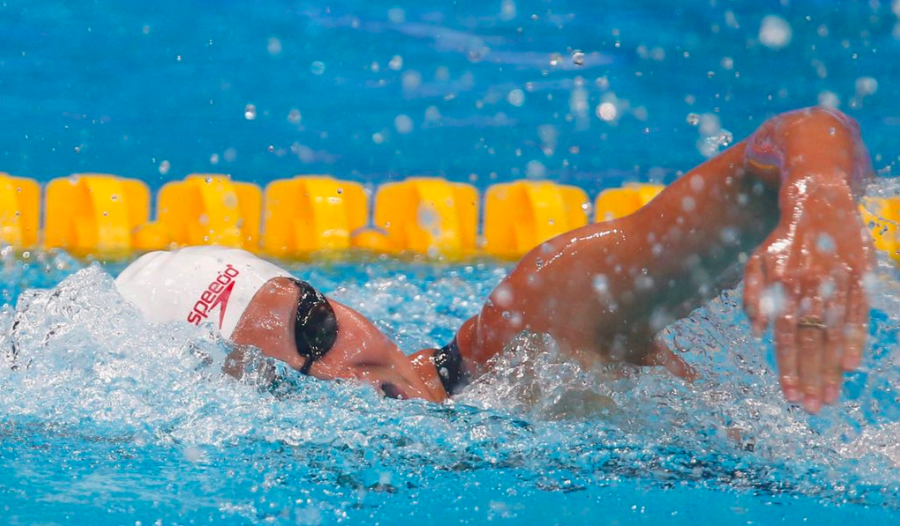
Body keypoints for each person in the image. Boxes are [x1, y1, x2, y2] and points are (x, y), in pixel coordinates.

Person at [116, 107, 874, 413]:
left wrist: (816, 199)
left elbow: (802, 135)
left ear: (338, 301)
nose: (336, 373)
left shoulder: (540, 323)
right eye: (273, 384)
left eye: (314, 327)